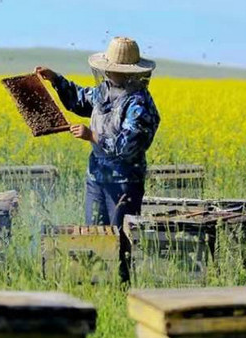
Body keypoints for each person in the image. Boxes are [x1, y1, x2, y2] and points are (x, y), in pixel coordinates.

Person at [35, 36, 161, 280]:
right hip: (97, 178)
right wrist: (56, 80)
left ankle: (121, 287)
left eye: (113, 70)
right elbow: (81, 99)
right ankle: (97, 285)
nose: (108, 74)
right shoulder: (105, 90)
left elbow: (128, 145)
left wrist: (92, 135)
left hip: (124, 182)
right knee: (94, 237)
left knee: (119, 240)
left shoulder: (139, 104)